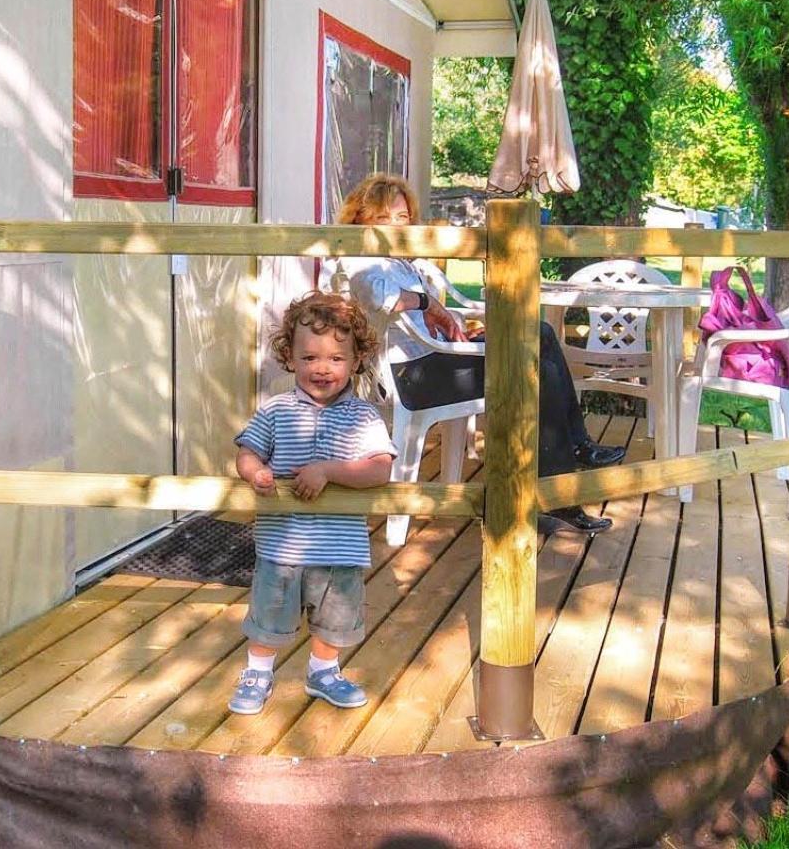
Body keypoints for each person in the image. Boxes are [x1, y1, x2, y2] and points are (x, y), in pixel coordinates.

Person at [336, 173, 625, 535]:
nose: (394, 226)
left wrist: (455, 324)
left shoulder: (403, 262)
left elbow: (429, 319)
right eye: (382, 218)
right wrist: (429, 304)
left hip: (438, 360)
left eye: (402, 217)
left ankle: (578, 448)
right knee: (537, 370)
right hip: (414, 376)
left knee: (541, 334)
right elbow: (383, 299)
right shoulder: (361, 257)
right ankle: (557, 496)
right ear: (360, 220)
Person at [230, 291, 397, 715]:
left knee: (335, 620)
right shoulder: (276, 411)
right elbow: (246, 451)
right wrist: (255, 473)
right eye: (309, 359)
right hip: (281, 545)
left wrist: (328, 470)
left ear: (357, 360)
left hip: (339, 549)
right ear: (290, 358)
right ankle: (258, 672)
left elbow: (380, 469)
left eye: (336, 359)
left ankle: (324, 672)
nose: (322, 369)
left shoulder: (363, 417)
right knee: (270, 613)